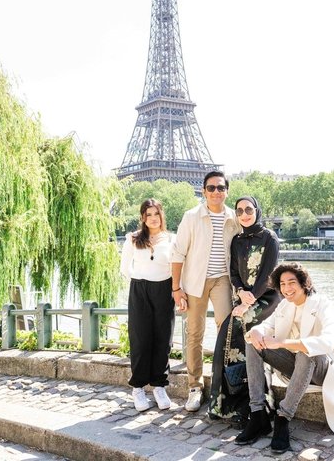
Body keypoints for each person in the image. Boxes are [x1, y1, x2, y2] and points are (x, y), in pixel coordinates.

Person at [235, 262, 334, 454]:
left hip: (324, 369)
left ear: (303, 283)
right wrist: (258, 331)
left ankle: (283, 418)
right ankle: (258, 413)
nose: (286, 288)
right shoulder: (284, 305)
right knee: (252, 341)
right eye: (282, 284)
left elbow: (327, 342)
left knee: (306, 349)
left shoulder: (322, 304)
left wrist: (283, 343)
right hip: (295, 365)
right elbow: (267, 326)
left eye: (291, 282)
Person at [208, 196, 281, 423]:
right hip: (243, 298)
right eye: (239, 211)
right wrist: (240, 291)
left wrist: (248, 302)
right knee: (227, 334)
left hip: (266, 298)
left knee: (241, 325)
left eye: (249, 209)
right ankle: (228, 404)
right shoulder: (237, 240)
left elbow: (269, 275)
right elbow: (234, 273)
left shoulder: (270, 238)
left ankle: (258, 403)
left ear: (257, 210)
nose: (244, 214)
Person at [172, 171, 240, 411]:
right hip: (195, 282)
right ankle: (194, 387)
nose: (216, 192)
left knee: (226, 332)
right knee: (194, 334)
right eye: (211, 188)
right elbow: (178, 253)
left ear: (227, 191)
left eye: (220, 188)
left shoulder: (234, 217)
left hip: (223, 280)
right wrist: (176, 288)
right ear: (203, 191)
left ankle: (222, 385)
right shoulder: (191, 217)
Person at [120, 199, 175, 412]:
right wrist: (139, 283)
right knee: (140, 339)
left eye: (156, 214)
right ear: (143, 217)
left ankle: (160, 386)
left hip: (164, 289)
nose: (153, 218)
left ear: (162, 216)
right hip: (140, 290)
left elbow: (176, 267)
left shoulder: (172, 240)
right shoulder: (133, 239)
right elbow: (125, 268)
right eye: (148, 214)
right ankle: (139, 388)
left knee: (163, 340)